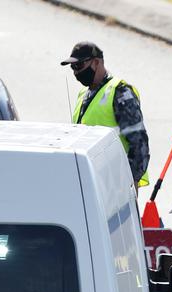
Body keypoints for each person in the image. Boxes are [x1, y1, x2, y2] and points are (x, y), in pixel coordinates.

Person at [61, 41, 150, 188]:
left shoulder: (119, 92)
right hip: (90, 181)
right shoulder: (83, 94)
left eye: (79, 66)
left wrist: (127, 183)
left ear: (96, 62)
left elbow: (139, 144)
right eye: (72, 68)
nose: (76, 72)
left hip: (115, 185)